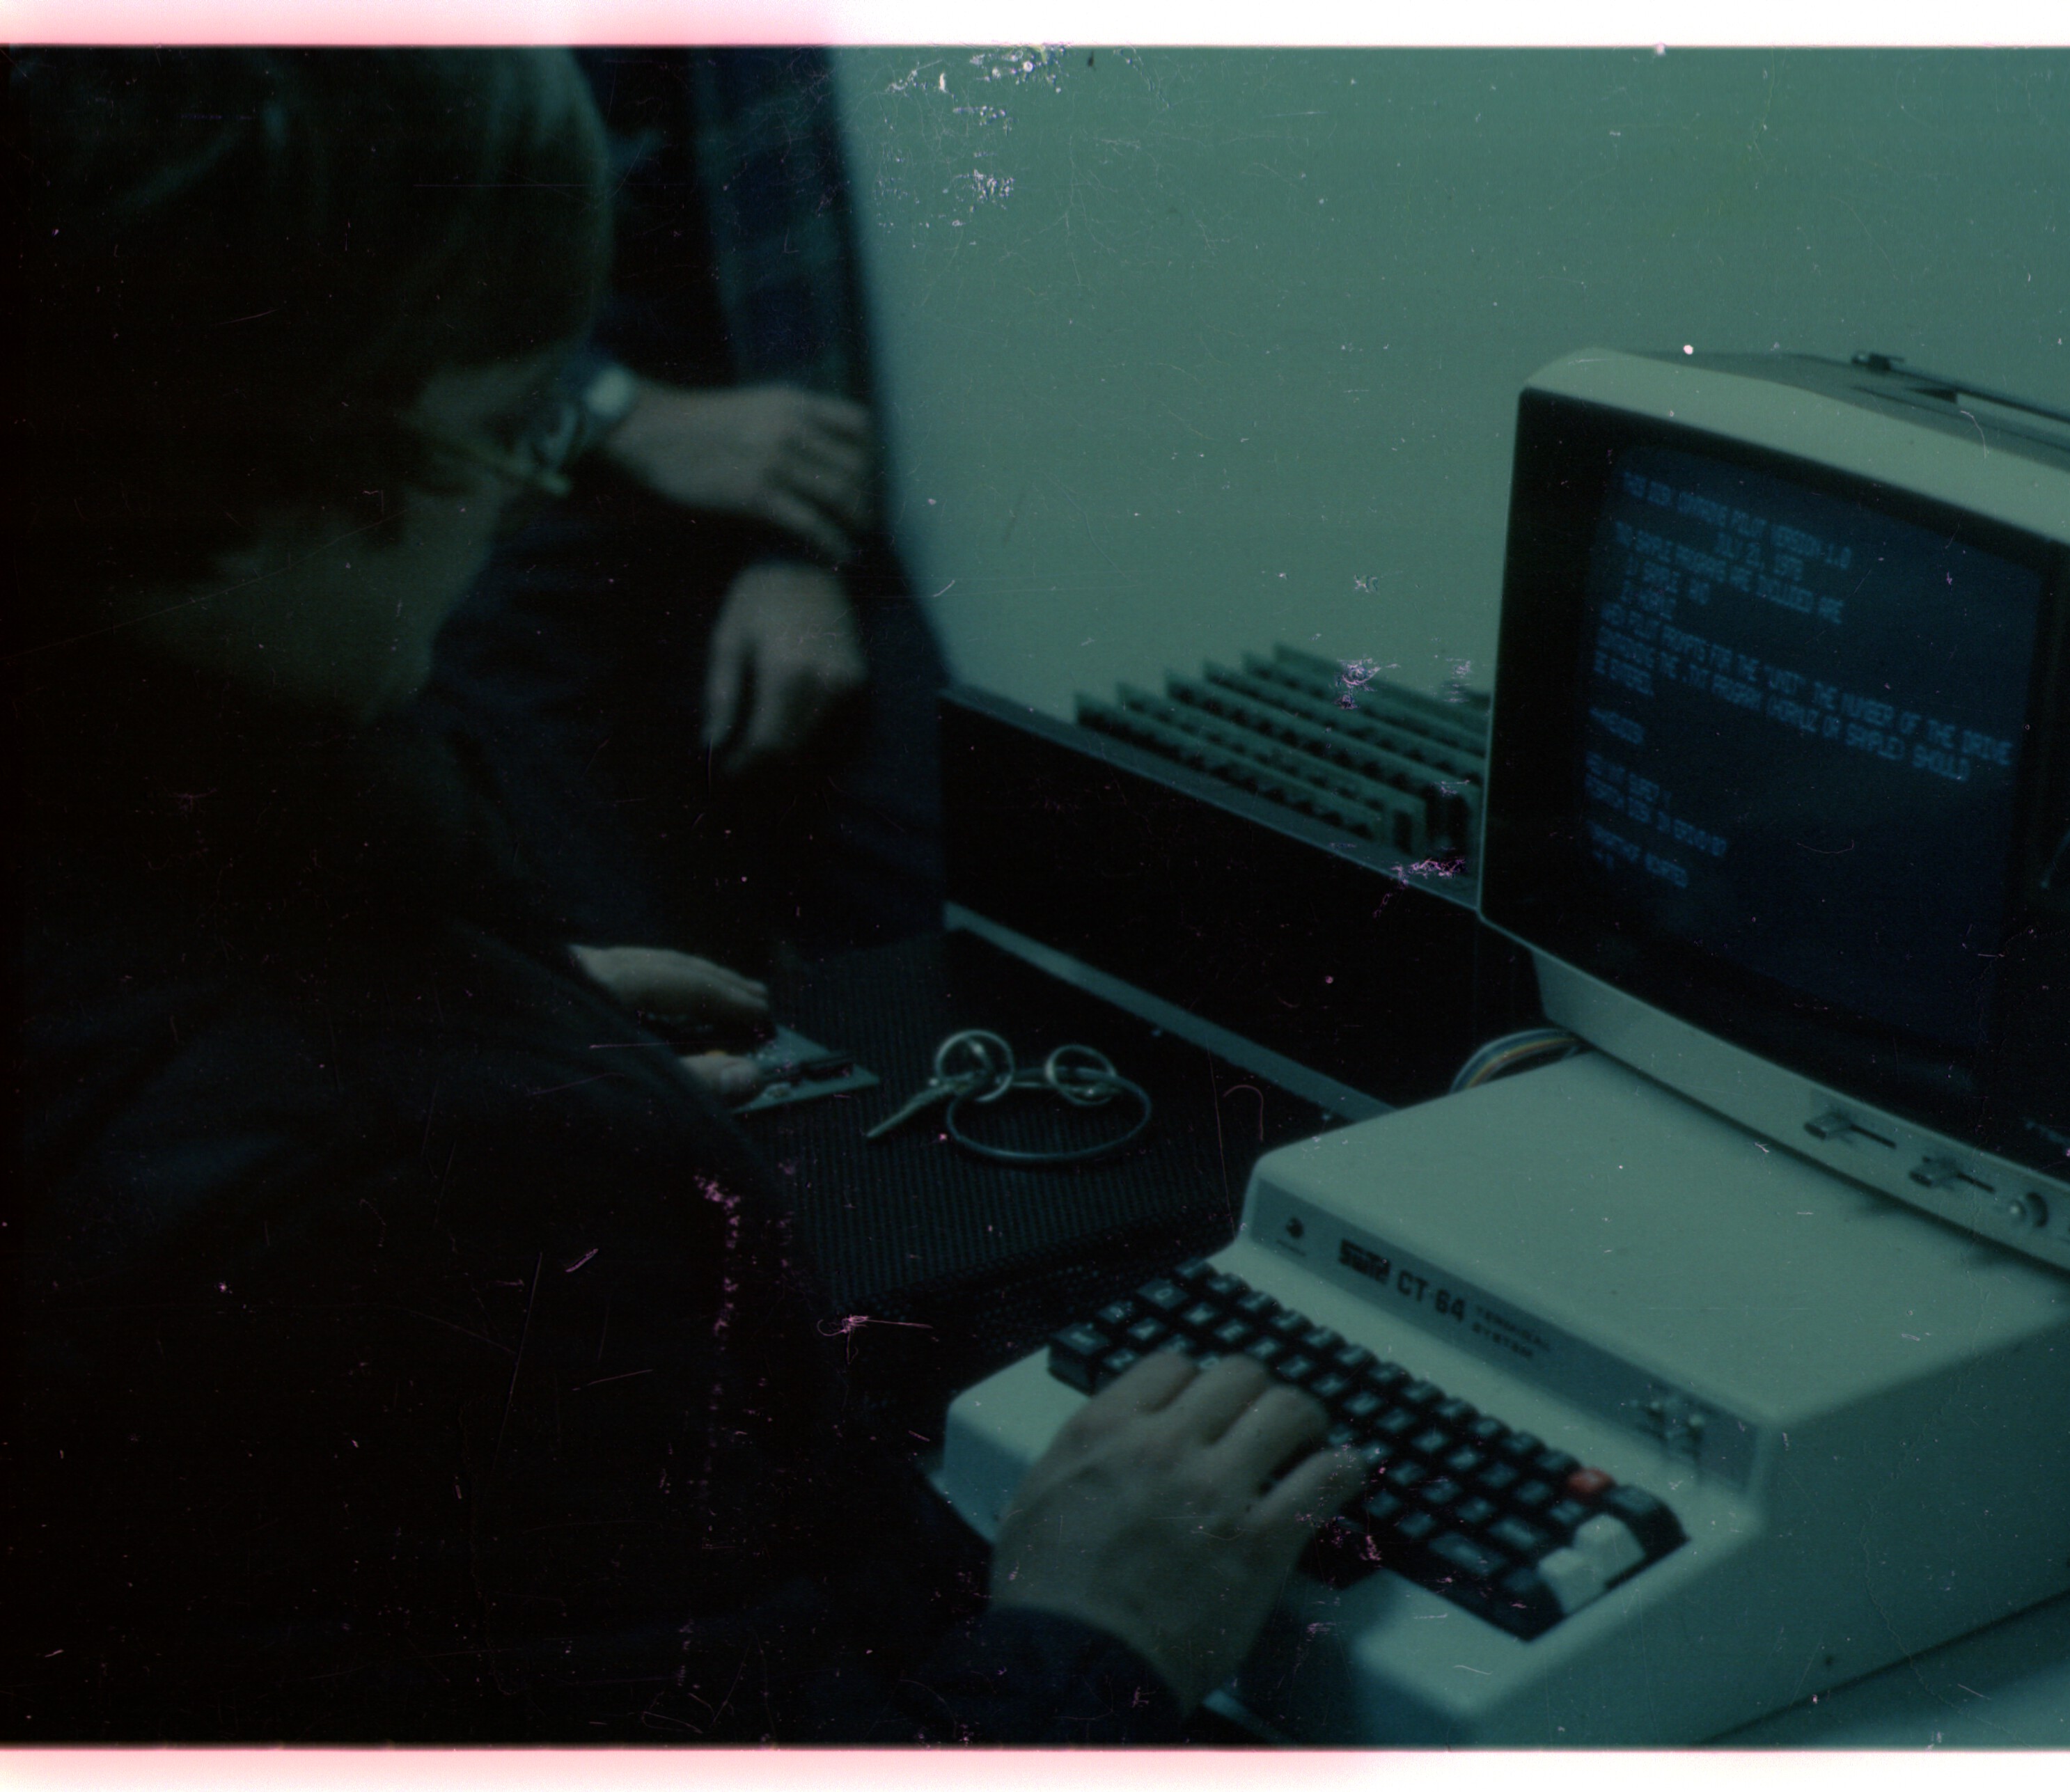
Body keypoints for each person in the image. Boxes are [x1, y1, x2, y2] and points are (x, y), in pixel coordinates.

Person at [8, 48, 1361, 1743]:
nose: (514, 505)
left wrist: (475, 1002)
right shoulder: (417, 1172)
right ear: (291, 456)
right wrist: (1094, 1635)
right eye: (513, 428)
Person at [417, 48, 948, 974]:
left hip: (739, 496)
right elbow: (345, 256)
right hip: (501, 506)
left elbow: (778, 193)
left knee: (959, 924)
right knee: (633, 978)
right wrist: (614, 412)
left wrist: (794, 548)